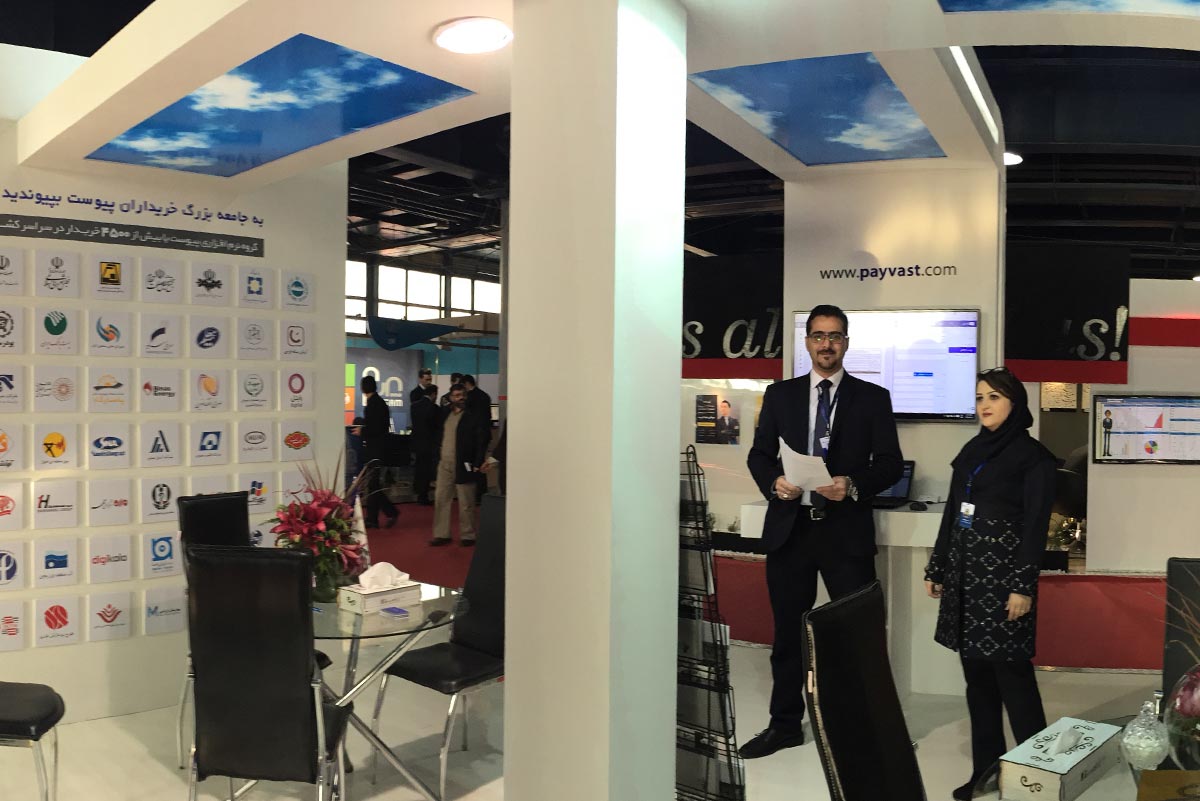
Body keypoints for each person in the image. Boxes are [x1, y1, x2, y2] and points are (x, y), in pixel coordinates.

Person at [742, 304, 904, 759]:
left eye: (834, 336)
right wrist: (774, 482)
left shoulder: (872, 398)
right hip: (791, 531)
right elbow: (758, 455)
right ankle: (784, 725)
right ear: (807, 342)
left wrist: (852, 484)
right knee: (787, 636)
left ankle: (861, 730)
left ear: (846, 343)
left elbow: (890, 464)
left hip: (844, 533)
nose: (826, 344)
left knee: (855, 636)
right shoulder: (781, 395)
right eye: (818, 336)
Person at [924, 367, 1056, 801]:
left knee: (1015, 681)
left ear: (1014, 403)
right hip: (967, 581)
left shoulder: (1034, 458)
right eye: (980, 397)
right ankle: (986, 771)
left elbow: (1035, 526)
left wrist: (1023, 586)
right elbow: (952, 513)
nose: (984, 405)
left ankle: (1039, 775)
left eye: (994, 397)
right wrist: (937, 567)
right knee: (977, 681)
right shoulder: (972, 451)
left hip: (1003, 585)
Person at [431, 383, 490, 546]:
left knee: (466, 501)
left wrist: (478, 461)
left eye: (463, 395)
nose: (461, 398)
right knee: (441, 499)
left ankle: (468, 535)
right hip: (444, 464)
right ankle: (441, 534)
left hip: (465, 463)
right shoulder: (445, 415)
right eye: (457, 395)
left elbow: (481, 439)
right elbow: (438, 436)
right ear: (451, 398)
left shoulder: (473, 416)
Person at [360, 375, 398, 529]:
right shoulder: (379, 403)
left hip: (375, 450)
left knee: (373, 485)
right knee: (373, 485)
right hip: (380, 449)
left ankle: (379, 516)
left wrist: (362, 431)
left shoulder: (372, 405)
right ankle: (377, 516)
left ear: (363, 388)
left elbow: (374, 429)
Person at [410, 386, 439, 505]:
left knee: (419, 467)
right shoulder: (434, 408)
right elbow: (436, 427)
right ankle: (423, 495)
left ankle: (417, 489)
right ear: (433, 394)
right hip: (429, 444)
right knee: (426, 470)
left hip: (417, 442)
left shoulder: (414, 406)